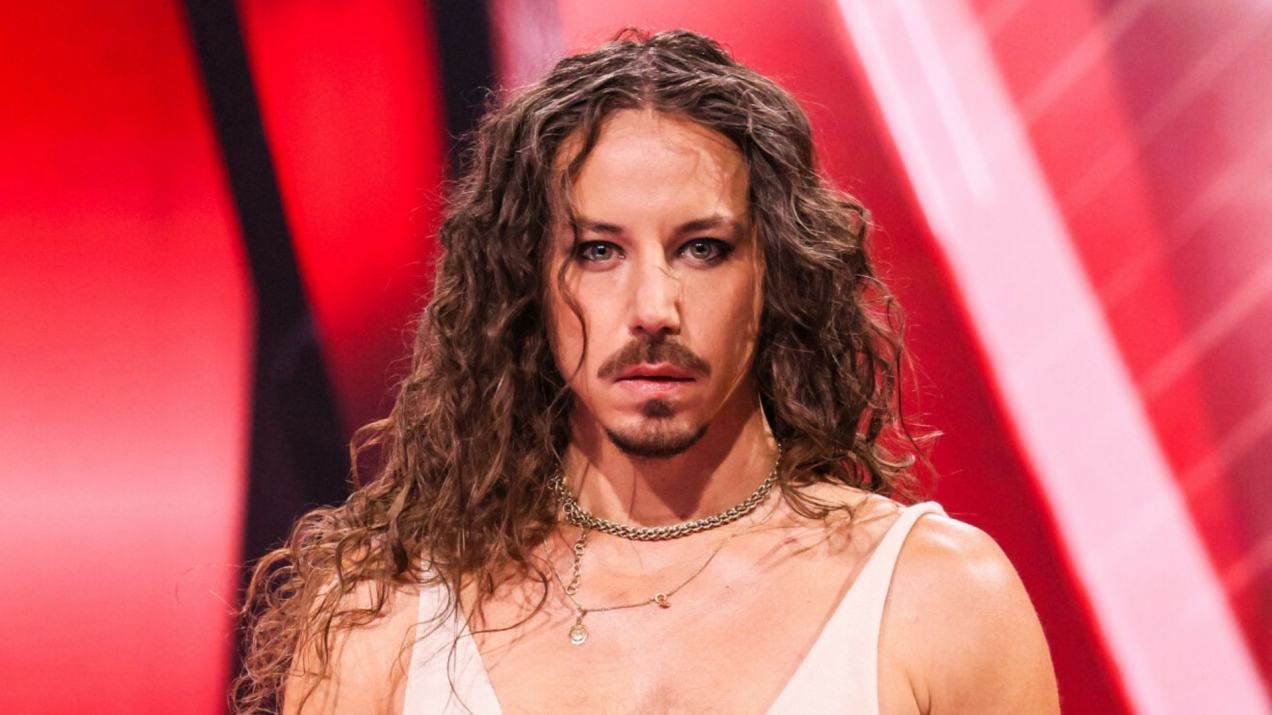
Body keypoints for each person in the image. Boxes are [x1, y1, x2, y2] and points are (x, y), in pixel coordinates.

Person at [234, 28, 1060, 715]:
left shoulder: (940, 600)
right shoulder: (385, 620)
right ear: (527, 282)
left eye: (703, 249)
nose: (654, 307)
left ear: (775, 275)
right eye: (599, 251)